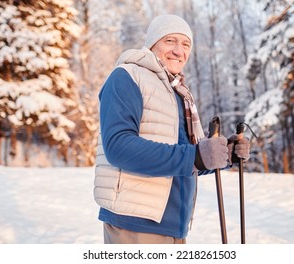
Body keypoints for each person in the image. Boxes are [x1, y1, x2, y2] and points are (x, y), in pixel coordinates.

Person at [94, 14, 250, 244]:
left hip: (176, 225)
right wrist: (196, 156)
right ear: (152, 44)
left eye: (185, 44)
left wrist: (225, 154)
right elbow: (118, 147)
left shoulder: (179, 93)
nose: (179, 51)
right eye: (170, 41)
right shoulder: (128, 77)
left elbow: (188, 159)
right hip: (135, 224)